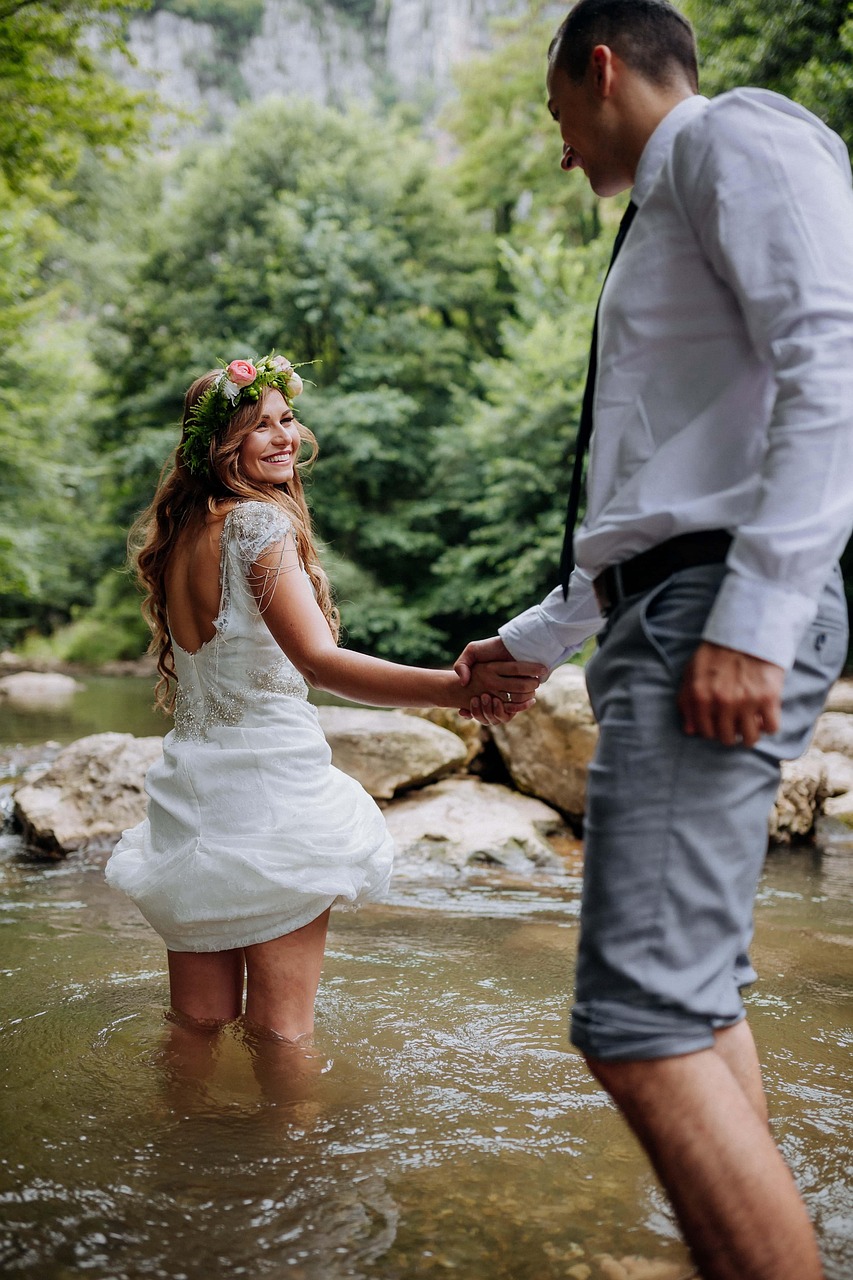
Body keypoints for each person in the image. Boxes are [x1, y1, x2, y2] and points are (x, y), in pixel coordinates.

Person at [454, 3, 853, 1278]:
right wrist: (532, 641)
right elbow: (649, 497)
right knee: (696, 995)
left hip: (716, 611)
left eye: (555, 107)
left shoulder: (737, 136)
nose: (561, 142)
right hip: (661, 611)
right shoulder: (664, 212)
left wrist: (756, 611)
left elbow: (829, 357)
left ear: (602, 66)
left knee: (632, 1022)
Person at [106, 353, 544, 1051]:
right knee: (282, 1033)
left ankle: (179, 1153)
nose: (284, 436)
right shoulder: (256, 527)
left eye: (287, 419)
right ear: (220, 446)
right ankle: (297, 1163)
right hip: (269, 794)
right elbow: (319, 661)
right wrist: (456, 689)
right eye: (259, 426)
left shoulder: (182, 535)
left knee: (197, 1026)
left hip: (192, 792)